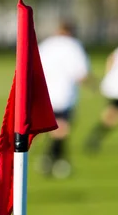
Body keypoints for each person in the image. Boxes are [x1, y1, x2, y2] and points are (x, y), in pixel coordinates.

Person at [37, 21, 93, 179]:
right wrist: (93, 84)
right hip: (63, 94)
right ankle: (56, 160)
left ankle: (52, 160)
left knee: (55, 129)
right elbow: (81, 74)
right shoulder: (73, 46)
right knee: (61, 128)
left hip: (43, 94)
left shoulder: (46, 45)